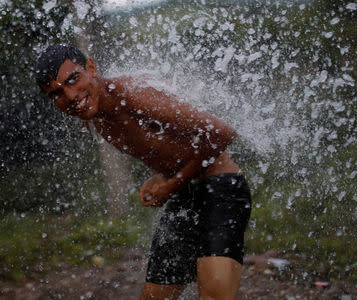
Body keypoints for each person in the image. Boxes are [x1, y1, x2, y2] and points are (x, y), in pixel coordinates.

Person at [35, 44, 252, 300]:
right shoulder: (94, 112)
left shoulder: (132, 95)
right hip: (184, 195)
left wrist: (171, 184)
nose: (70, 96)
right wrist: (164, 176)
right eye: (57, 93)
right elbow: (169, 144)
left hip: (222, 188)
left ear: (91, 68)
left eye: (73, 79)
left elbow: (222, 133)